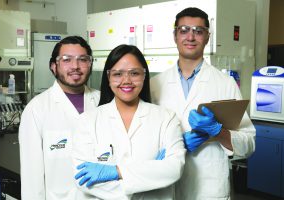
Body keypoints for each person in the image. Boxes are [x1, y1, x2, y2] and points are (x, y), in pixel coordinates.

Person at [150, 7, 256, 200]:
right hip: (165, 185)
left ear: (207, 37)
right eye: (184, 30)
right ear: (175, 36)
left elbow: (249, 144)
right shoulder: (154, 85)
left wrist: (217, 131)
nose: (191, 37)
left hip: (209, 187)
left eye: (198, 31)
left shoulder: (225, 83)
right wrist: (174, 147)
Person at [72, 44, 186, 199]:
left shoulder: (166, 118)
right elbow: (82, 179)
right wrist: (150, 174)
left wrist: (118, 172)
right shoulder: (87, 121)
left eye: (134, 73)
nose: (126, 81)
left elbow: (174, 168)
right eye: (118, 74)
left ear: (144, 75)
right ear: (108, 77)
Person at [19, 36, 100, 200]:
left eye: (82, 59)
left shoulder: (103, 101)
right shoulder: (37, 109)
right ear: (53, 66)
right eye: (66, 60)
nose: (75, 66)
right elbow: (31, 175)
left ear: (90, 64)